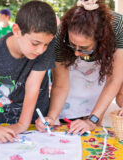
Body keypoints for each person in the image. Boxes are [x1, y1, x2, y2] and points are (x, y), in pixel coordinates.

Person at [0, 1, 57, 143]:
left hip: (37, 124)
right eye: (35, 43)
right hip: (3, 122)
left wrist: (22, 125)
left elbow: (33, 86)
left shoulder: (46, 45)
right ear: (16, 30)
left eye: (46, 44)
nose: (40, 50)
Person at [35, 0, 123, 135]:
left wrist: (92, 120)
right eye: (72, 44)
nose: (76, 53)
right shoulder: (59, 38)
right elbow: (61, 85)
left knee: (92, 126)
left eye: (84, 48)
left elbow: (114, 79)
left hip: (103, 67)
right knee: (73, 124)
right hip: (74, 72)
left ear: (101, 40)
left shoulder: (118, 26)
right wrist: (52, 117)